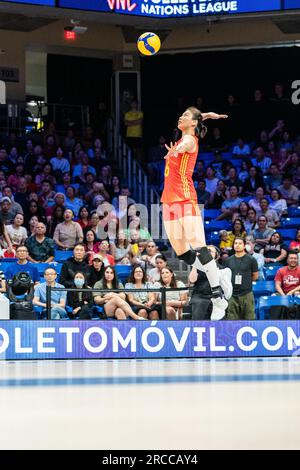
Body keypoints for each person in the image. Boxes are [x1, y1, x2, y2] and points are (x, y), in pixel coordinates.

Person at [161, 106, 228, 319]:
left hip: (185, 198)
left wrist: (177, 150)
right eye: (181, 114)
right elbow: (197, 119)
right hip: (168, 202)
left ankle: (218, 298)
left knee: (199, 246)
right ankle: (217, 273)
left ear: (193, 124)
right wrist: (208, 115)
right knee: (182, 252)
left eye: (186, 116)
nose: (181, 116)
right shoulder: (183, 137)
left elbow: (188, 142)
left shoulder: (189, 141)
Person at [189, 245, 232, 320]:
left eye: (210, 251)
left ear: (216, 255)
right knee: (199, 304)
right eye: (206, 251)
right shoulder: (197, 267)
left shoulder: (221, 269)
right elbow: (192, 280)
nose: (207, 253)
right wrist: (195, 264)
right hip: (200, 296)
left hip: (214, 297)